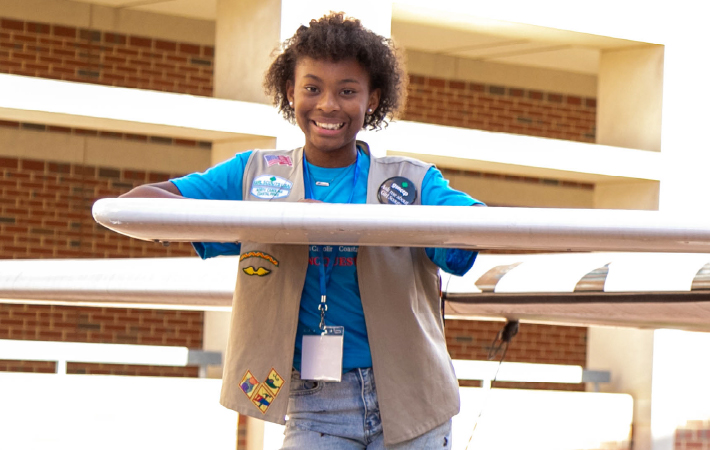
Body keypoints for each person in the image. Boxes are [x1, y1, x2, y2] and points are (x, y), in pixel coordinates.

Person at [121, 12, 481, 449]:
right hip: (315, 402)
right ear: (291, 93)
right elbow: (135, 205)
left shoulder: (409, 182)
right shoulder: (253, 176)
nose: (328, 104)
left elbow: (474, 228)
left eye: (348, 91)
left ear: (373, 100)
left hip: (414, 397)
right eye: (312, 88)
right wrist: (278, 217)